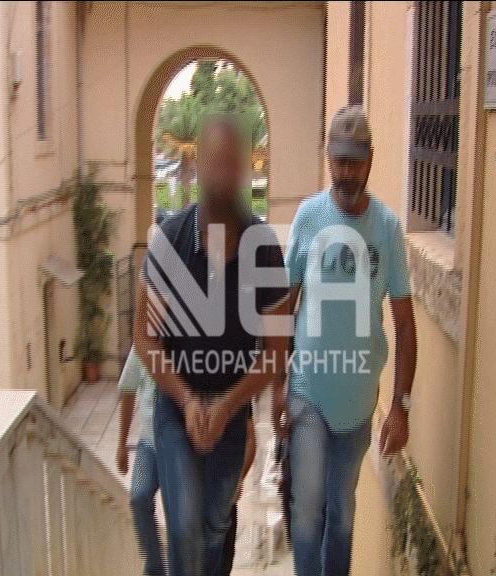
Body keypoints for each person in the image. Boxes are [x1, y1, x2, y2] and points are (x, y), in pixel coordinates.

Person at [134, 114, 290, 576]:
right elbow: (144, 336)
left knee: (215, 527)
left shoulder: (265, 248)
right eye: (214, 163)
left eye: (232, 165)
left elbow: (276, 351)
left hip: (232, 411)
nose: (222, 176)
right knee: (184, 528)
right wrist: (187, 399)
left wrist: (227, 404)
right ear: (198, 165)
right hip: (175, 406)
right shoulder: (170, 240)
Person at [272, 105, 417, 576]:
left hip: (357, 402)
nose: (346, 172)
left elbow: (404, 323)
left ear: (370, 159)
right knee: (308, 510)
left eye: (355, 162)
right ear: (328, 158)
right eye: (339, 161)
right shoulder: (309, 217)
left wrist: (401, 405)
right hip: (308, 391)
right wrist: (276, 384)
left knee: (342, 514)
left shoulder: (387, 228)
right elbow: (284, 305)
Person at [116, 345, 165, 576]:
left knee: (180, 516)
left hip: (181, 447)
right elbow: (128, 390)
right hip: (149, 443)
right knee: (138, 497)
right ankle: (154, 567)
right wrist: (121, 444)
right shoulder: (142, 346)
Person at [220, 406, 255, 576]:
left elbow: (250, 438)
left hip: (225, 488)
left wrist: (239, 478)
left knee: (223, 560)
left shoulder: (239, 396)